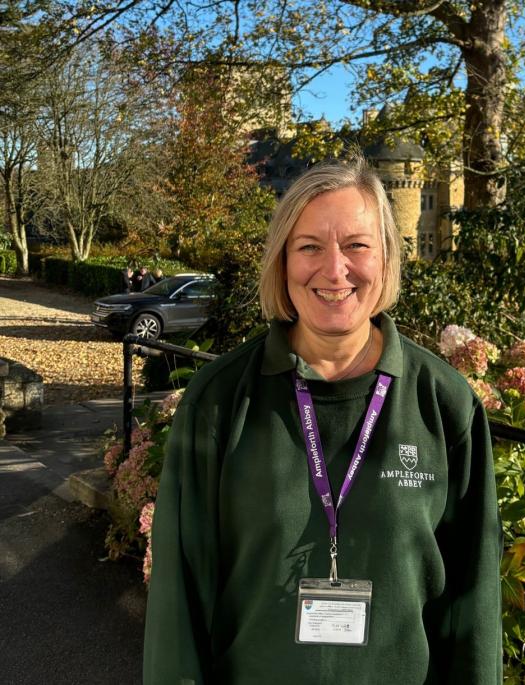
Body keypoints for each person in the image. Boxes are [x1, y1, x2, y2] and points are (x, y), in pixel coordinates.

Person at [144, 158, 503, 684]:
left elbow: (473, 607)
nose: (334, 270)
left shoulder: (445, 405)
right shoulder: (220, 402)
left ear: (385, 257)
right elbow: (180, 602)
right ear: (282, 262)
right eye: (310, 246)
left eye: (356, 245)